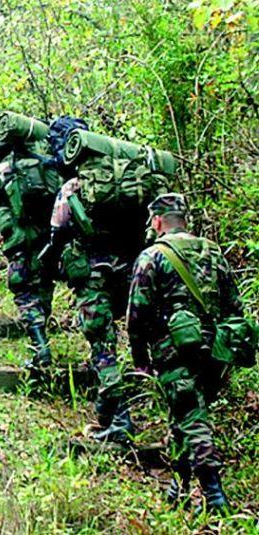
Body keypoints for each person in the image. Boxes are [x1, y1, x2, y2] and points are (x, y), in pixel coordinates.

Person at [127, 193, 250, 513]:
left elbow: (137, 315)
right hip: (214, 353)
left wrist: (141, 358)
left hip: (174, 353)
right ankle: (177, 488)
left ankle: (215, 497)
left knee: (192, 419)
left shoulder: (152, 256)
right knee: (185, 415)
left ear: (157, 221)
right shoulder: (213, 252)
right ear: (184, 219)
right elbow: (234, 306)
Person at [45, 116, 136, 442]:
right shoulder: (125, 178)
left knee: (102, 348)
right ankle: (109, 412)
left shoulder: (74, 186)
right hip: (130, 273)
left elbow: (58, 229)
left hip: (93, 278)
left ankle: (121, 419)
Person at [0, 118, 59, 363]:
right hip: (49, 241)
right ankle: (42, 337)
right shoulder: (49, 166)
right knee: (44, 287)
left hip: (20, 241)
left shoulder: (1, 171)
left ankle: (40, 346)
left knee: (23, 291)